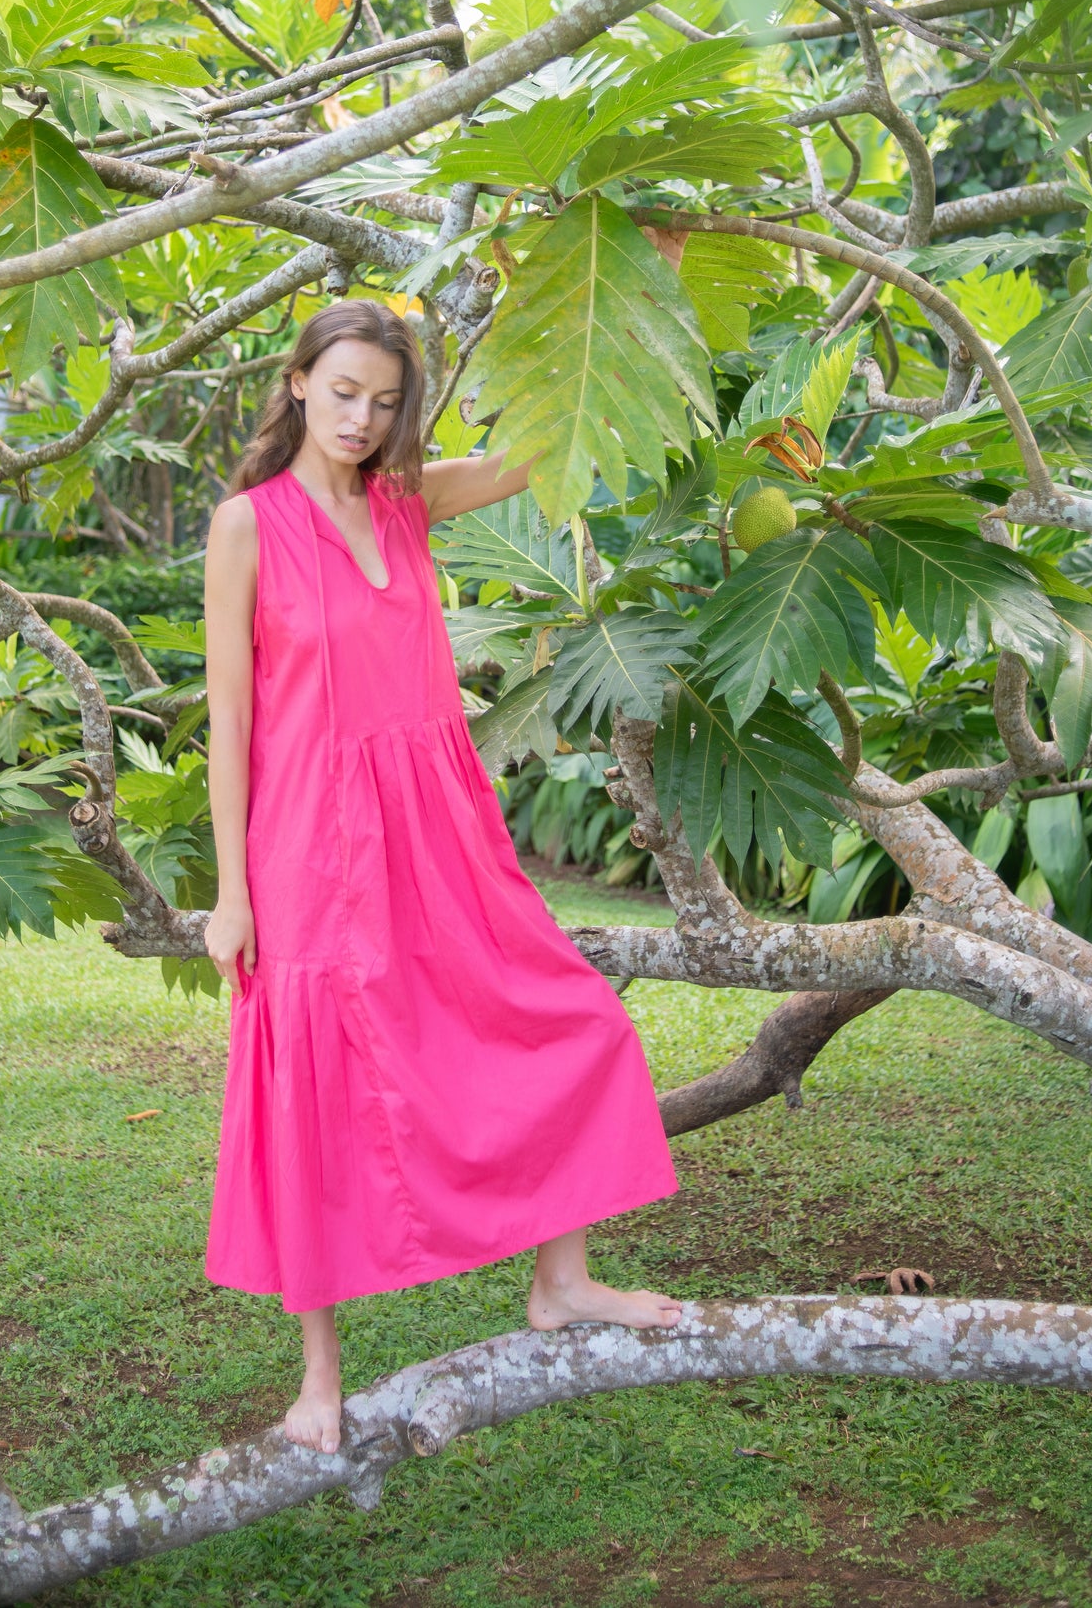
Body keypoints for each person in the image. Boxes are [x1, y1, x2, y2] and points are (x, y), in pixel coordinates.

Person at [202, 299, 681, 1457]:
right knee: (315, 1086)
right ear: (299, 380)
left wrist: (615, 298)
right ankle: (318, 1377)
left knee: (562, 1016)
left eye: (383, 398)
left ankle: (559, 1279)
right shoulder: (245, 526)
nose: (361, 417)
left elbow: (535, 453)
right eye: (343, 389)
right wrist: (232, 889)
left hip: (438, 823)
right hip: (307, 838)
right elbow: (228, 721)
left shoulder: (408, 501)